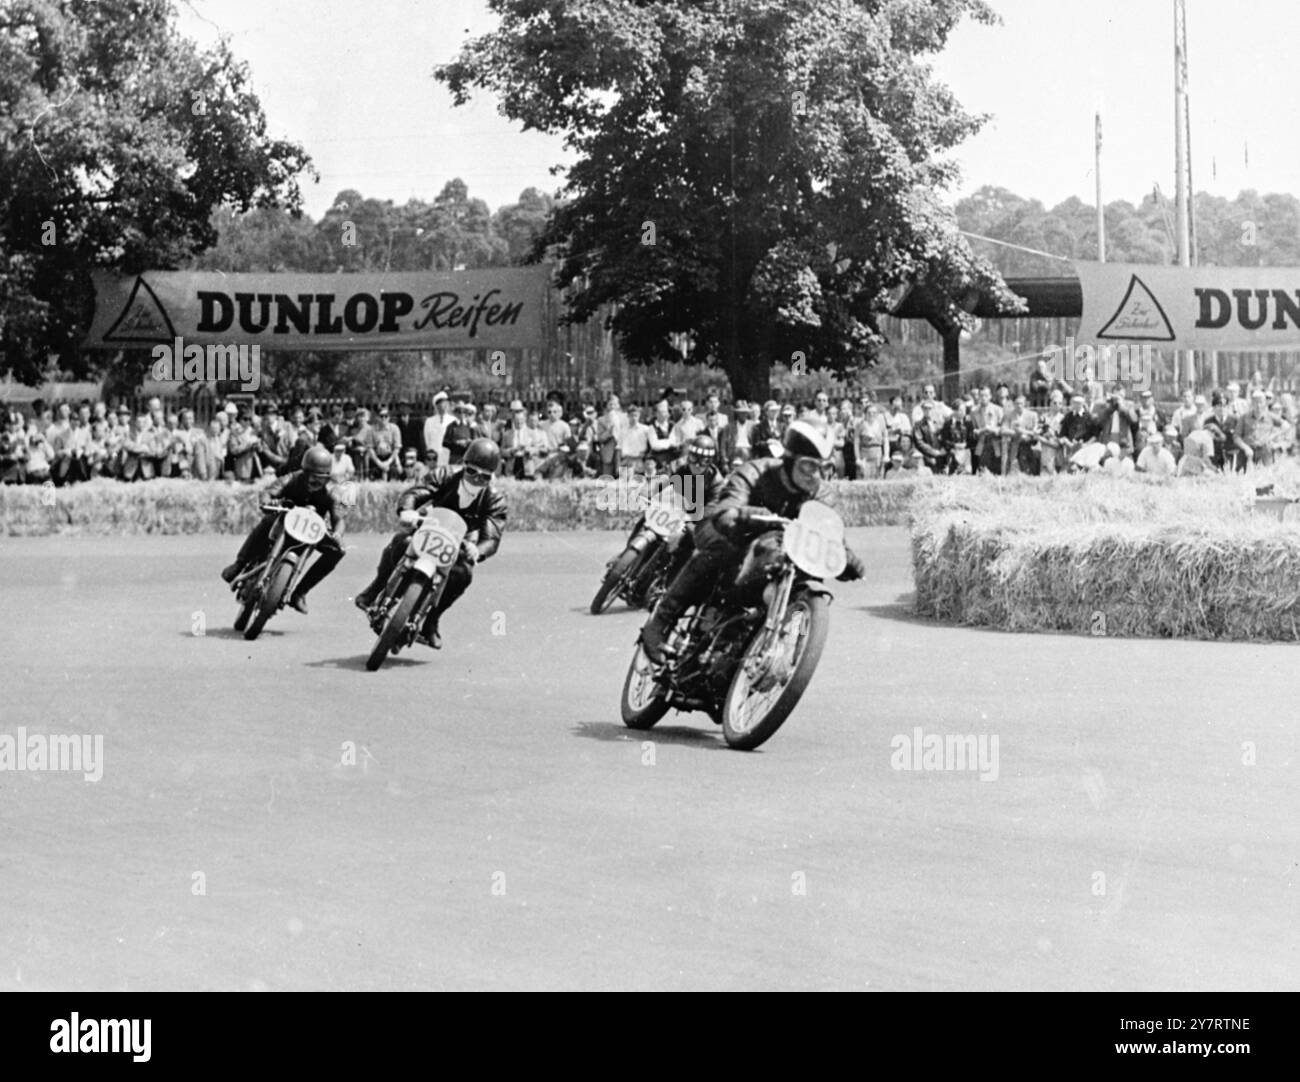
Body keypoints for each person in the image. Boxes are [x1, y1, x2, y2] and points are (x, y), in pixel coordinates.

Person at [637, 421, 865, 665]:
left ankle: (791, 646)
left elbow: (828, 535)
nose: (816, 475)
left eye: (825, 467)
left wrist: (846, 557)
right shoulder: (755, 473)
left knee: (807, 573)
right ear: (789, 460)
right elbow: (726, 511)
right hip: (727, 529)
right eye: (809, 465)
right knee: (723, 548)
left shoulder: (822, 495)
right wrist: (747, 516)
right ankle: (660, 621)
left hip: (777, 548)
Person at [353, 438, 507, 650]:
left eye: (484, 476)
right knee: (401, 541)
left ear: (492, 477)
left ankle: (432, 621)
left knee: (464, 573)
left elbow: (492, 537)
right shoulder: (444, 474)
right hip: (433, 521)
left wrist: (477, 550)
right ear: (464, 466)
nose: (477, 479)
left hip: (463, 537)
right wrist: (407, 510)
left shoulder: (495, 499)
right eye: (472, 472)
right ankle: (376, 589)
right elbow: (417, 492)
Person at [219, 446, 346, 614]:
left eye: (320, 478)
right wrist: (269, 502)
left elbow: (339, 519)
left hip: (309, 531)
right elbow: (268, 492)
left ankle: (300, 593)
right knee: (268, 520)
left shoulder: (333, 493)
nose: (313, 481)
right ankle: (239, 564)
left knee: (337, 551)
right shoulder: (290, 479)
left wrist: (337, 533)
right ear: (304, 471)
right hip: (284, 521)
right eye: (310, 476)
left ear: (327, 478)